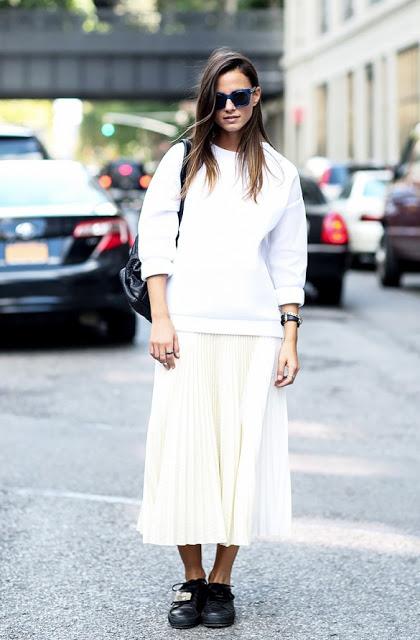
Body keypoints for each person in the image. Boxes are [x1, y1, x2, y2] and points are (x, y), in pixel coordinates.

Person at [135, 47, 308, 629]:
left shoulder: (280, 173)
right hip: (187, 329)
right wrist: (162, 317)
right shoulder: (181, 161)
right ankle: (190, 580)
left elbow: (288, 261)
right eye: (220, 96)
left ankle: (222, 582)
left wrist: (289, 336)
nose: (230, 106)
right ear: (208, 99)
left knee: (240, 460)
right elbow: (155, 243)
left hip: (255, 332)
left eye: (241, 95)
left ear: (256, 98)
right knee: (185, 455)